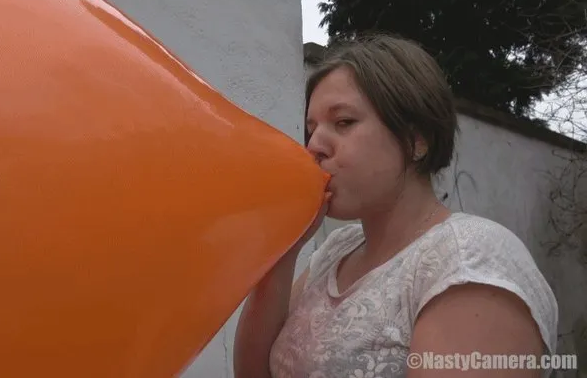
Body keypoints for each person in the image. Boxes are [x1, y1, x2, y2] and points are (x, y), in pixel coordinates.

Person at [233, 34, 559, 378]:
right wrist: (285, 247)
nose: (314, 146)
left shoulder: (468, 261)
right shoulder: (334, 253)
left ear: (416, 141)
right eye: (311, 130)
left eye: (343, 122)